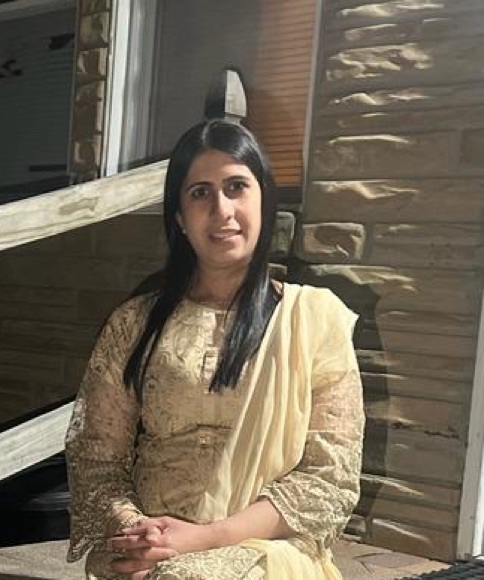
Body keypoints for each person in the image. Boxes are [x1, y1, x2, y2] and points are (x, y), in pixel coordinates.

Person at [65, 119, 364, 580]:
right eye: (200, 193)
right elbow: (96, 458)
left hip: (262, 549)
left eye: (236, 187)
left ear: (264, 200)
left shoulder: (313, 319)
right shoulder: (134, 324)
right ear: (180, 219)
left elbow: (329, 477)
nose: (222, 209)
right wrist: (138, 531)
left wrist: (203, 539)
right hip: (149, 543)